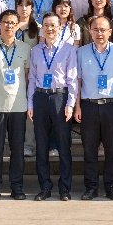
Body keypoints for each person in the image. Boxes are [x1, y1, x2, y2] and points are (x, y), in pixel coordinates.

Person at [0, 9, 32, 201]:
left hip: (18, 106)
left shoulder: (25, 48)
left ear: (18, 26)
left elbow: (27, 76)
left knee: (17, 149)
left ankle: (17, 187)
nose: (9, 26)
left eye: (13, 23)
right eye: (6, 22)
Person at [75, 16, 113, 200]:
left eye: (103, 30)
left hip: (111, 105)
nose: (99, 33)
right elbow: (77, 82)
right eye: (95, 29)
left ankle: (112, 186)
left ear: (110, 32)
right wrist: (77, 106)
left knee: (112, 150)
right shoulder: (81, 52)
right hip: (88, 105)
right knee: (89, 150)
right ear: (90, 32)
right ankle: (91, 187)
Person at [28, 12, 79, 201]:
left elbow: (72, 79)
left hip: (60, 97)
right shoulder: (36, 50)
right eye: (46, 25)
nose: (49, 29)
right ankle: (45, 187)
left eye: (53, 25)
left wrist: (70, 104)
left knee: (64, 145)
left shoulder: (68, 49)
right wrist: (30, 103)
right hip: (40, 97)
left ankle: (65, 188)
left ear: (60, 27)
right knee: (41, 145)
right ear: (42, 28)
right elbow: (32, 78)